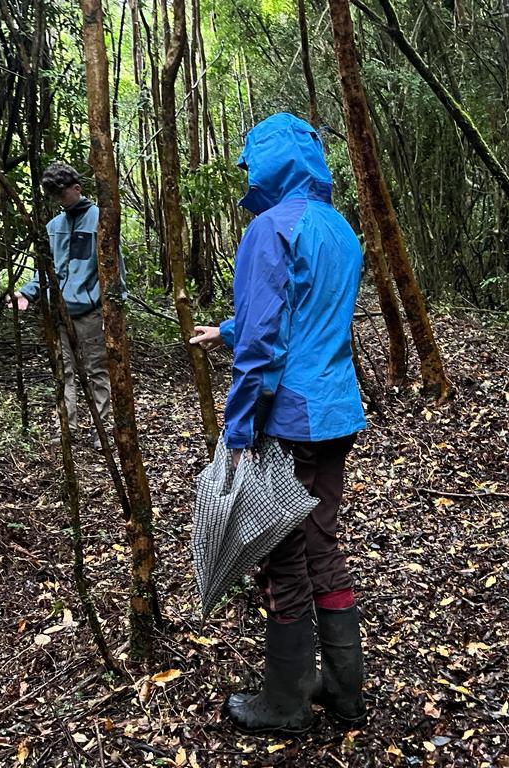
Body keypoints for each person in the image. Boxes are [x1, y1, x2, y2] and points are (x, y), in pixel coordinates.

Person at [190, 113, 367, 734]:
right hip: (338, 410)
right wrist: (228, 329)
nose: (247, 173)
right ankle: (345, 689)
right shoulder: (340, 227)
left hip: (290, 417)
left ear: (271, 163)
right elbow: (306, 312)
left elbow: (266, 344)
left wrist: (238, 435)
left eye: (250, 161)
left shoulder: (269, 227)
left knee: (283, 557)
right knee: (320, 544)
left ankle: (285, 701)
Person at [12, 163, 113, 451]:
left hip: (90, 312)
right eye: (53, 195)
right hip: (58, 312)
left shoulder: (100, 220)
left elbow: (114, 269)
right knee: (64, 371)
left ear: (77, 188)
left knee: (97, 370)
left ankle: (101, 430)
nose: (59, 199)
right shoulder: (53, 227)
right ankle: (67, 427)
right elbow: (45, 270)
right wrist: (27, 294)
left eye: (62, 193)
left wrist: (112, 309)